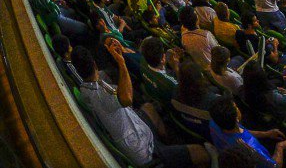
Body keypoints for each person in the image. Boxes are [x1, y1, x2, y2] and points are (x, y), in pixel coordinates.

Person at [73, 41, 211, 167]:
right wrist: (121, 62)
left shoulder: (84, 90)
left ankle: (170, 142)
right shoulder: (101, 94)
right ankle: (170, 154)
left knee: (148, 107)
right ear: (95, 64)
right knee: (202, 152)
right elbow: (127, 99)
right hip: (144, 150)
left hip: (137, 129)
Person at [209, 95, 286, 168]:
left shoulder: (214, 122)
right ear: (236, 118)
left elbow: (242, 131)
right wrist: (279, 147)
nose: (238, 108)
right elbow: (275, 166)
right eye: (236, 107)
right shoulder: (250, 148)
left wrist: (266, 134)